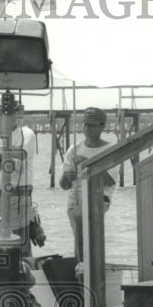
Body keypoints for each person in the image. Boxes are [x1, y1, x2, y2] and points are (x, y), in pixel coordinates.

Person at [0, 96, 43, 254]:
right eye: (8, 110)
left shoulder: (27, 134)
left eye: (15, 109)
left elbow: (11, 166)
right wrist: (9, 154)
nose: (13, 113)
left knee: (21, 249)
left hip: (18, 199)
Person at [60, 107, 119, 262]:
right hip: (75, 198)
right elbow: (64, 185)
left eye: (92, 125)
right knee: (78, 236)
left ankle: (88, 267)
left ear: (102, 126)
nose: (87, 129)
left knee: (87, 232)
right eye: (85, 124)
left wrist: (87, 164)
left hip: (100, 197)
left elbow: (109, 181)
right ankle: (82, 267)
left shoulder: (110, 149)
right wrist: (68, 175)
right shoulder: (74, 149)